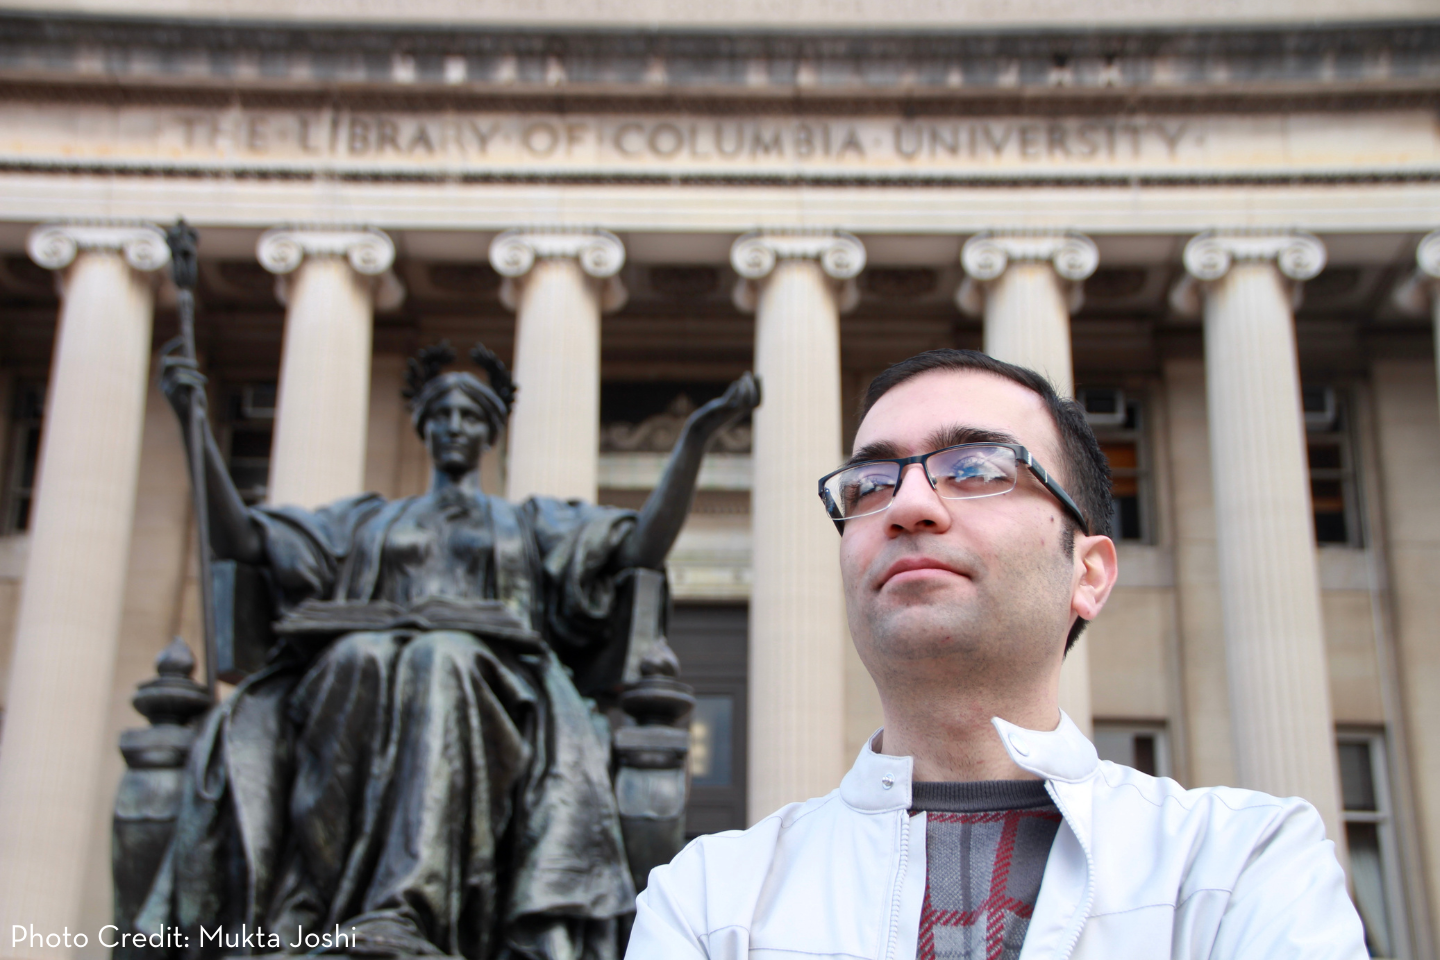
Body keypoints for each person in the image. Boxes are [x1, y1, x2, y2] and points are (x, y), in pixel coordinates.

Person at [627, 349, 1366, 960]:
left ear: (1089, 573)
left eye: (977, 469)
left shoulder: (1243, 861)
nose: (909, 506)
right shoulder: (705, 899)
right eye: (870, 484)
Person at [139, 342, 758, 960]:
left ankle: (406, 907)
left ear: (490, 433)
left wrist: (694, 442)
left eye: (470, 417)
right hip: (361, 674)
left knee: (442, 658)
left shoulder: (530, 522)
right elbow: (245, 539)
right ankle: (321, 904)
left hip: (497, 685)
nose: (455, 428)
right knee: (362, 657)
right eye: (443, 416)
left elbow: (638, 548)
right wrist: (195, 425)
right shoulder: (366, 522)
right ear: (423, 427)